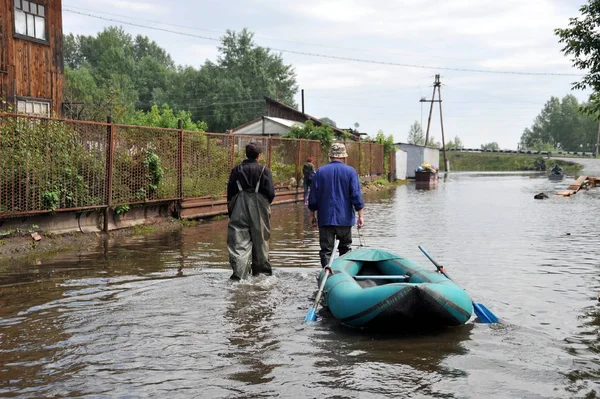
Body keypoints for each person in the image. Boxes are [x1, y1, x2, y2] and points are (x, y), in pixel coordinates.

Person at [308, 142, 365, 267]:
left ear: (330, 156)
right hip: (344, 219)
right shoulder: (350, 172)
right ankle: (343, 274)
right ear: (344, 156)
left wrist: (312, 215)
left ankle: (327, 275)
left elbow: (313, 197)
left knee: (326, 250)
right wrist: (360, 215)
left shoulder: (320, 172)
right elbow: (355, 195)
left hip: (325, 218)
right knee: (345, 249)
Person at [226, 142, 275, 280]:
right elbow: (270, 193)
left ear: (246, 154)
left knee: (238, 243)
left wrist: (232, 211)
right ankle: (262, 277)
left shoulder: (236, 170)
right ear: (259, 156)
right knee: (260, 242)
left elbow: (230, 193)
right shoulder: (264, 170)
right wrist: (264, 207)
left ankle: (239, 277)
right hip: (259, 209)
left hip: (238, 209)